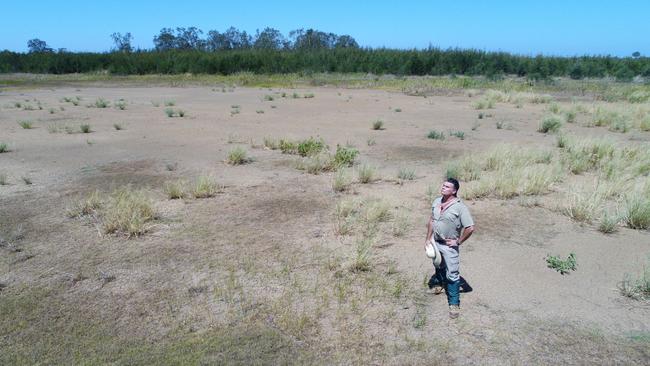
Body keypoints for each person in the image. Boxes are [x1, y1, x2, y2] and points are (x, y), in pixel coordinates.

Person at [424, 177, 475, 319]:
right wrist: (428, 238)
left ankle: (454, 303)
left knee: (452, 274)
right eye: (443, 185)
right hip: (436, 241)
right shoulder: (436, 201)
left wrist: (458, 242)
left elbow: (470, 228)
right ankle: (439, 285)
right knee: (438, 265)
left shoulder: (460, 207)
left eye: (447, 186)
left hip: (449, 245)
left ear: (454, 190)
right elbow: (432, 221)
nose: (443, 187)